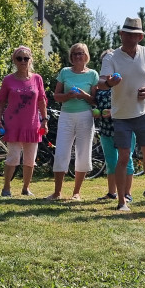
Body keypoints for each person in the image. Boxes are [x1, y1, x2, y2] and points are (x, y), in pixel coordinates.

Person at [99, 15, 145, 211]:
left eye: (134, 35)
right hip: (121, 115)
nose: (129, 37)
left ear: (140, 37)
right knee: (123, 157)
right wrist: (110, 83)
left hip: (144, 112)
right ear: (121, 34)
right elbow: (101, 84)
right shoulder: (111, 57)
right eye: (126, 34)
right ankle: (122, 201)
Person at [48, 43, 99, 200]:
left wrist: (83, 95)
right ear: (71, 56)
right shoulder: (65, 72)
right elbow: (56, 96)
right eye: (75, 53)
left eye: (81, 53)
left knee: (83, 153)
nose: (78, 56)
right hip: (66, 115)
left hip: (85, 116)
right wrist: (67, 96)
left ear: (86, 55)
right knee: (61, 152)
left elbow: (95, 101)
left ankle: (76, 192)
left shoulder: (93, 74)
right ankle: (57, 192)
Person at [0, 46, 47, 196]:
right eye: (19, 58)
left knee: (30, 160)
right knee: (13, 158)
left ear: (30, 60)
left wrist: (44, 120)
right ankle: (6, 188)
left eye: (26, 58)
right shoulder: (8, 80)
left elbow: (42, 101)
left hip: (32, 125)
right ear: (14, 61)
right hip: (13, 125)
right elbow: (1, 102)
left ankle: (26, 188)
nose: (23, 61)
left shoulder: (37, 79)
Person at [95, 49, 136, 202]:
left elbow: (132, 102)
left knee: (127, 160)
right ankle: (112, 193)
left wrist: (113, 112)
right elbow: (97, 102)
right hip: (106, 130)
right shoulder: (100, 85)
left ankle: (127, 194)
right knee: (111, 162)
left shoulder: (125, 81)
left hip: (125, 127)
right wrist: (97, 112)